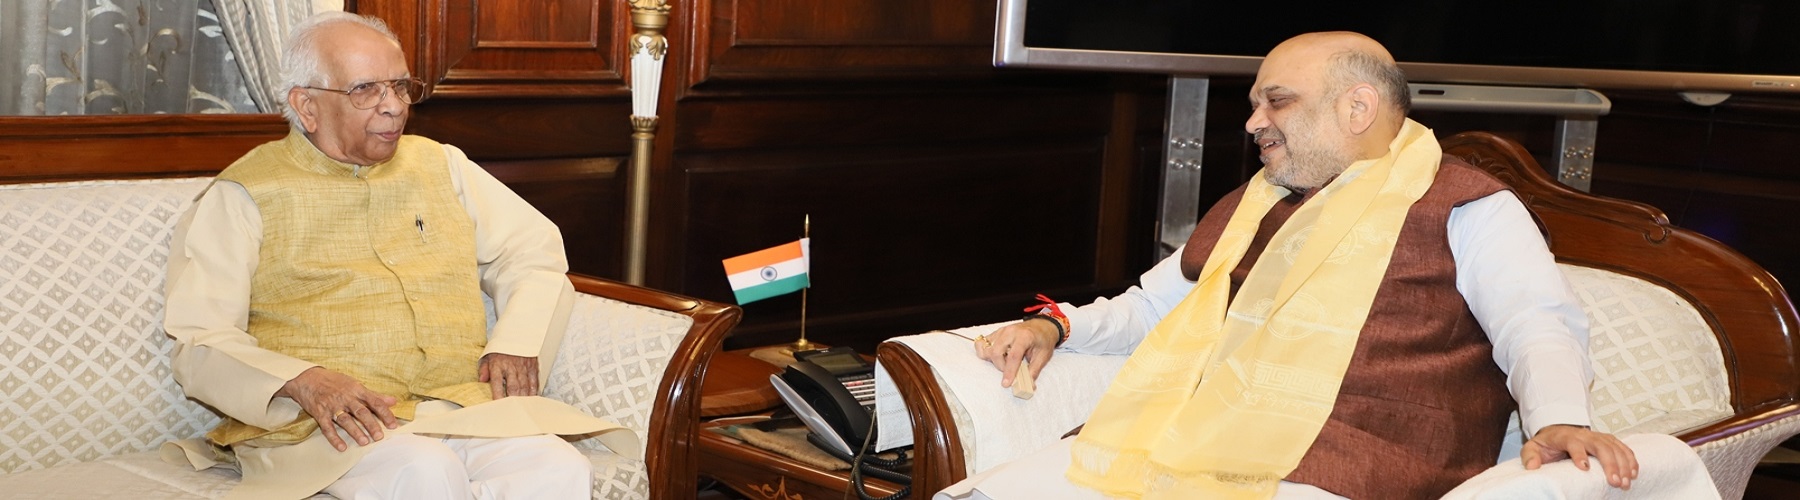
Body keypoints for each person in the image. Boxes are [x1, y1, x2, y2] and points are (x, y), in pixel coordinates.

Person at [965, 32, 1638, 499]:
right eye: (1255, 102)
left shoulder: (1469, 205)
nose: (1254, 121)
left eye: (1276, 100)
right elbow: (1152, 306)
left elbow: (1535, 322)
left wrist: (1558, 418)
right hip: (1200, 443)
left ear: (1357, 107)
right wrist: (1056, 328)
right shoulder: (1253, 203)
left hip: (1364, 466)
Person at [161, 12, 610, 499]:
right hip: (329, 427)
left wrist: (516, 338)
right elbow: (200, 339)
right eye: (366, 90)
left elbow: (533, 251)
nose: (393, 107)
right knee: (423, 470)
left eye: (400, 86)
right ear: (306, 106)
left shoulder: (441, 164)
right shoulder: (245, 192)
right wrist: (304, 382)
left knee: (558, 467)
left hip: (459, 408)